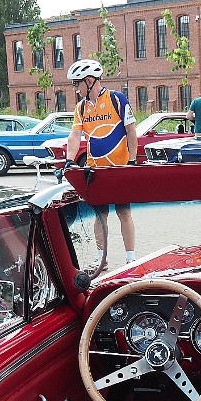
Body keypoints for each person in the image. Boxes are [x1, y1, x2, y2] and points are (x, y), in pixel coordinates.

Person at [65, 59, 137, 264]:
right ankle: (101, 258)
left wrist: (131, 161)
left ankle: (130, 258)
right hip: (96, 171)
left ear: (89, 81)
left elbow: (131, 131)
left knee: (124, 212)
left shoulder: (117, 99)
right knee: (100, 215)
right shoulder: (81, 108)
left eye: (76, 84)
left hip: (120, 169)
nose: (75, 89)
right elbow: (74, 135)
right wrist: (69, 161)